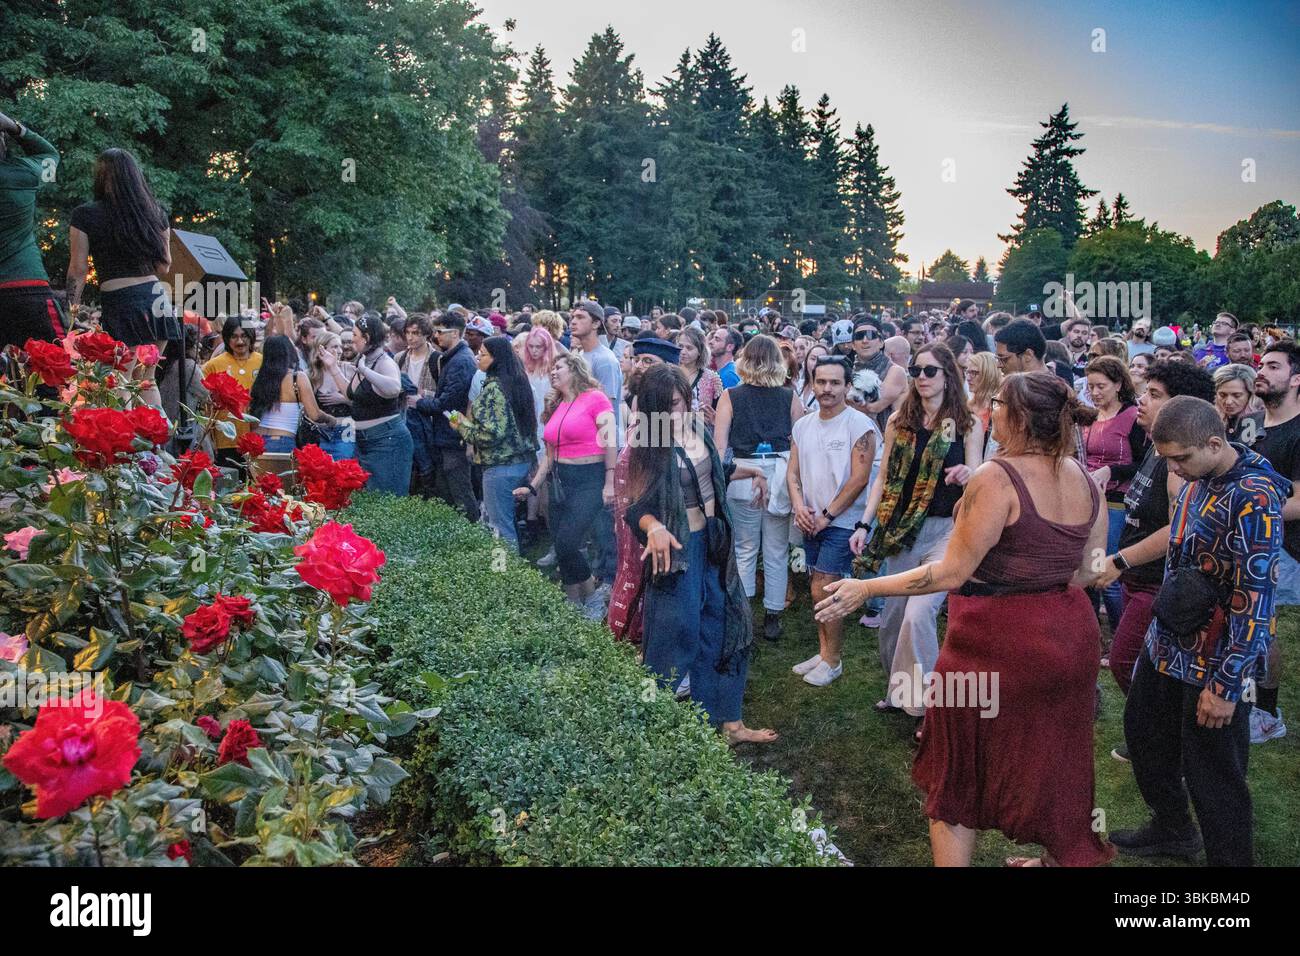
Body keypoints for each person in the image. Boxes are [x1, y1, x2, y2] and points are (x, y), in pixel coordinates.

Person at [815, 371, 1113, 868]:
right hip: (1070, 635)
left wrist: (866, 587)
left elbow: (952, 571)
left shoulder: (996, 477)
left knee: (956, 767)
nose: (986, 411)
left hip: (995, 637)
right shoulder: (1086, 478)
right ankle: (1061, 857)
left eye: (995, 403)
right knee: (1058, 756)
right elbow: (1091, 571)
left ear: (1015, 416)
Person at [1111, 397, 1287, 866]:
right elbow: (1178, 545)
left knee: (1214, 773)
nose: (1173, 468)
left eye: (1180, 458)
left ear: (1214, 442)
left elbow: (1255, 597)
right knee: (1144, 734)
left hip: (1216, 659)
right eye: (1165, 457)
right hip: (1168, 641)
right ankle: (1172, 830)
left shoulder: (1254, 495)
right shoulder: (1198, 478)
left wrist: (1226, 686)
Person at [623, 363, 778, 745]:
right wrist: (654, 527)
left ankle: (729, 724)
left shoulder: (696, 429)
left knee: (726, 629)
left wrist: (753, 473)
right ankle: (652, 732)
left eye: (685, 400)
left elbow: (716, 471)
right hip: (678, 554)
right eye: (674, 404)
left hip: (714, 544)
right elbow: (635, 508)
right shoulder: (646, 444)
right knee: (675, 639)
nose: (682, 409)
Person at [851, 343, 984, 721]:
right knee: (893, 617)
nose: (921, 378)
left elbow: (978, 471)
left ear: (947, 376)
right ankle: (898, 691)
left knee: (918, 614)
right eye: (916, 371)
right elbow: (881, 478)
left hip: (947, 532)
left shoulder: (966, 423)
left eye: (930, 371)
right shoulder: (899, 421)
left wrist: (967, 475)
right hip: (901, 530)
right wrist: (865, 522)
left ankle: (926, 703)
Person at [1093, 361, 1212, 715]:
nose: (1142, 400)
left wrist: (1121, 559)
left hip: (1158, 583)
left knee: (1124, 661)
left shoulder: (1178, 467)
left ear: (1182, 406)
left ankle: (1161, 735)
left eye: (1154, 394)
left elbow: (1180, 528)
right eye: (1145, 391)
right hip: (1138, 579)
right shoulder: (1153, 448)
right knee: (1144, 665)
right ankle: (1156, 736)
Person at [786, 356, 880, 687]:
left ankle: (834, 659)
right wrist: (799, 507)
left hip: (843, 522)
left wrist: (827, 516)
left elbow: (859, 479)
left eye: (835, 383)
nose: (827, 389)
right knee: (817, 585)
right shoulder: (803, 425)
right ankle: (823, 652)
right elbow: (792, 471)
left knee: (824, 587)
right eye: (821, 382)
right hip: (810, 519)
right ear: (812, 384)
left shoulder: (860, 425)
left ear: (847, 386)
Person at [67, 148, 181, 411]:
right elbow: (164, 266)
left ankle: (125, 446)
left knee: (120, 378)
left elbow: (78, 269)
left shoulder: (85, 214)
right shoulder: (155, 212)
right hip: (157, 301)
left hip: (122, 303)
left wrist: (70, 311)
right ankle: (152, 446)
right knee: (147, 380)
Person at [714, 336, 803, 640]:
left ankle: (744, 612)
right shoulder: (790, 397)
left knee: (745, 548)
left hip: (742, 471)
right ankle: (773, 615)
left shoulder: (730, 396)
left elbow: (719, 448)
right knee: (777, 549)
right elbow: (799, 444)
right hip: (780, 471)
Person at [517, 352, 616, 612]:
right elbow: (549, 456)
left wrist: (610, 480)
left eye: (558, 366)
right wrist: (532, 487)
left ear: (574, 369)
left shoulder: (596, 398)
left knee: (567, 543)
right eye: (551, 368)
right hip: (560, 482)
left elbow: (611, 441)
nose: (552, 371)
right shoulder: (557, 404)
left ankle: (593, 597)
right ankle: (573, 601)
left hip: (589, 481)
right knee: (562, 546)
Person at [1246, 341, 1300, 743]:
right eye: (1261, 364)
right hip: (1246, 542)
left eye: (1274, 366)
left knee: (1264, 628)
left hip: (1283, 548)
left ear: (1296, 379)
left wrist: (1244, 511)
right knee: (1247, 624)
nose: (1261, 371)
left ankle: (1267, 714)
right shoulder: (1251, 423)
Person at [452, 336, 538, 551]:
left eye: (483, 354)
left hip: (500, 466)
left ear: (496, 358)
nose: (477, 357)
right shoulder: (515, 381)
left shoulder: (495, 389)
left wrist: (461, 426)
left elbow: (492, 434)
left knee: (499, 527)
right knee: (504, 522)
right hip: (518, 463)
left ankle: (503, 576)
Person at [1081, 356, 1146, 628]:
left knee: (1104, 571)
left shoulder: (1132, 416)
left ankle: (1122, 635)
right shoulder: (1090, 416)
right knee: (1087, 572)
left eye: (1101, 386)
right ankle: (1091, 633)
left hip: (1117, 503)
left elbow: (1144, 463)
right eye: (1091, 387)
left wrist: (1112, 471)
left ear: (1118, 384)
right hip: (1089, 500)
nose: (1095, 393)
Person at [0, 111, 68, 352]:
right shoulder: (24, 173)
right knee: (54, 366)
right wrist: (15, 127)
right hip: (27, 284)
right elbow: (50, 155)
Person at [416, 311, 479, 518]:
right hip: (448, 435)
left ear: (455, 333)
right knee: (447, 491)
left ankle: (473, 536)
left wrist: (420, 402)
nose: (436, 336)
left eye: (440, 331)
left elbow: (448, 403)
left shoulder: (461, 361)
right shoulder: (453, 357)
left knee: (460, 491)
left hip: (455, 437)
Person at [346, 313, 413, 495]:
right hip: (363, 440)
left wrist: (365, 371)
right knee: (366, 500)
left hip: (386, 440)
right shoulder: (364, 360)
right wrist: (332, 367)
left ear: (367, 338)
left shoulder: (384, 362)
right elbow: (354, 396)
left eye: (355, 335)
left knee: (386, 500)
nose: (352, 340)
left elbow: (393, 388)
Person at [248, 335, 338, 453]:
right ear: (288, 352)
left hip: (257, 441)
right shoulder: (297, 378)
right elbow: (314, 415)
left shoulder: (259, 379)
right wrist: (330, 419)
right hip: (282, 441)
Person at [202, 316, 264, 469]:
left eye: (244, 336)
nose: (240, 341)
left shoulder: (263, 362)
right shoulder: (213, 366)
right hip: (225, 440)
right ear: (226, 338)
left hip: (257, 439)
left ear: (251, 337)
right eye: (234, 337)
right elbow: (204, 403)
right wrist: (209, 438)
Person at [396, 313, 438, 495]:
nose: (411, 337)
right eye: (408, 332)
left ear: (426, 334)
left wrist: (422, 395)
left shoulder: (437, 359)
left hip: (427, 418)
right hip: (403, 414)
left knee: (426, 464)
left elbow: (443, 394)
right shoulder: (400, 358)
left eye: (416, 333)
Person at [306, 331, 357, 460]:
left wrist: (344, 399)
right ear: (321, 349)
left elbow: (363, 403)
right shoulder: (310, 375)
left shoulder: (349, 370)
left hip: (345, 430)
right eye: (334, 347)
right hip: (318, 433)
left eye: (340, 346)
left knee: (343, 472)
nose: (340, 350)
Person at [678, 326, 724, 425]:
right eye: (680, 346)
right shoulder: (668, 372)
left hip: (701, 433)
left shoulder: (712, 378)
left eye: (689, 348)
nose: (683, 352)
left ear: (700, 351)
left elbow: (719, 413)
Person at [1214, 364, 1263, 447]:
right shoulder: (1210, 418)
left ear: (1251, 394)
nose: (1228, 402)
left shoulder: (1263, 420)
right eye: (1223, 395)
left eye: (1236, 395)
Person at [965, 351, 1001, 444]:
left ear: (989, 374)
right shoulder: (963, 408)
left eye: (974, 373)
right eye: (967, 372)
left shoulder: (1000, 411)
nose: (968, 378)